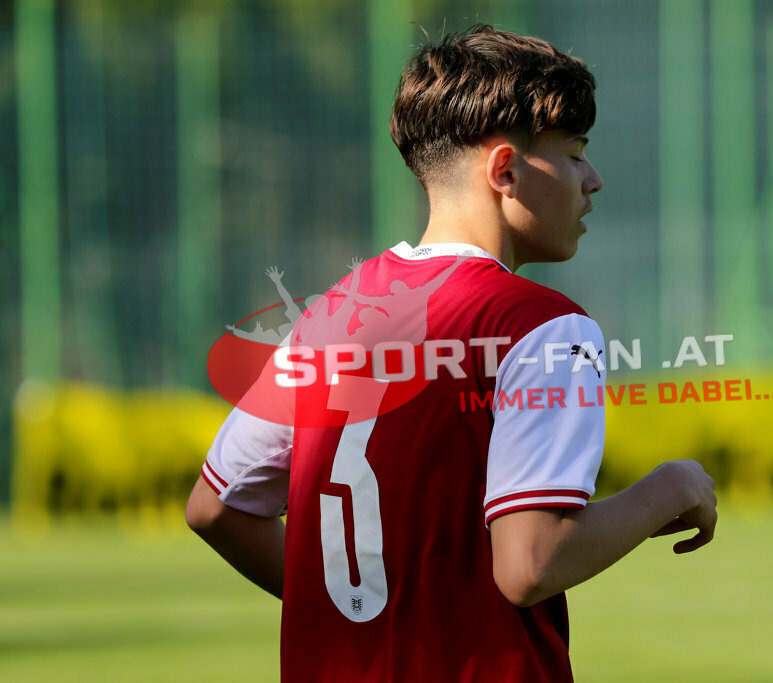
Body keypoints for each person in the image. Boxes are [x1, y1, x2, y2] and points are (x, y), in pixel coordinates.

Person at [186, 24, 717, 682]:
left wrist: (367, 619)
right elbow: (531, 562)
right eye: (576, 153)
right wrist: (673, 487)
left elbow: (217, 507)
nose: (594, 179)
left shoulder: (327, 318)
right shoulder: (542, 326)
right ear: (505, 170)